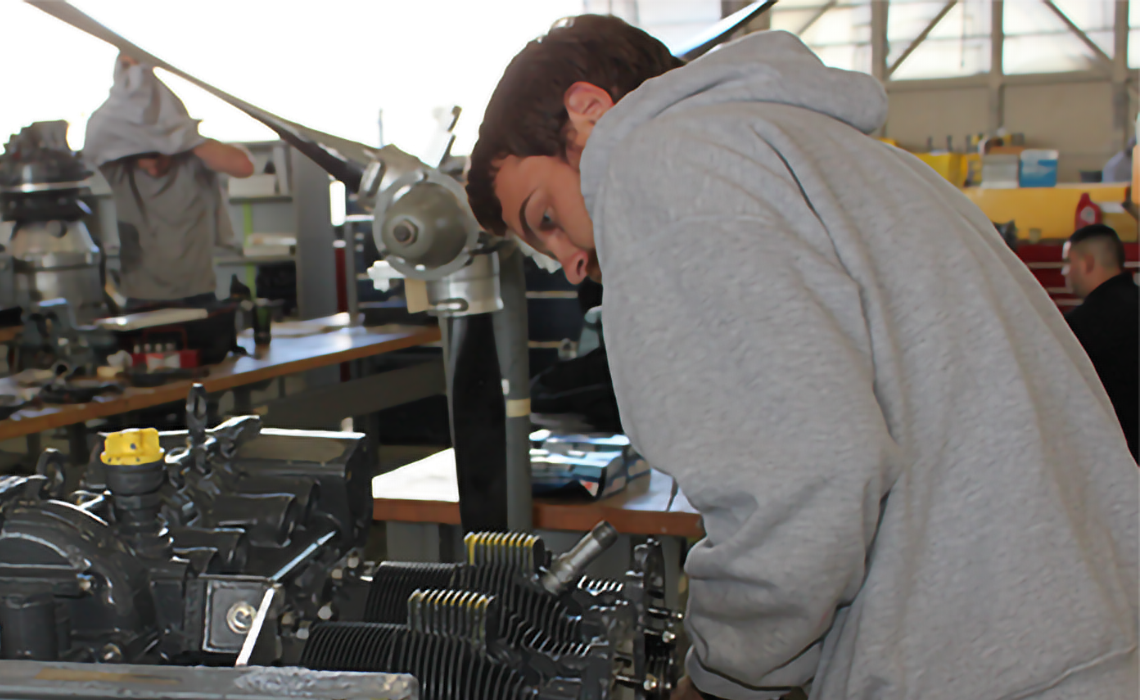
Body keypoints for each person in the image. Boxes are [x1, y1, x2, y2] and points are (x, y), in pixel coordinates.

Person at [466, 17, 1140, 700]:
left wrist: (726, 673)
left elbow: (805, 479)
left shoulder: (657, 162)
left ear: (589, 112)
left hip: (988, 665)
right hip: (1077, 636)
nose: (573, 266)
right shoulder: (831, 154)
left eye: (545, 217)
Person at [83, 54, 255, 311]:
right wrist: (128, 83)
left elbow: (244, 166)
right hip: (141, 299)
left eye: (159, 156)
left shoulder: (192, 160)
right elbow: (96, 137)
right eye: (144, 158)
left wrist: (179, 134)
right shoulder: (121, 170)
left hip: (198, 295)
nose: (153, 168)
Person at [1064, 224, 1140, 461]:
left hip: (1118, 458)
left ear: (1087, 262)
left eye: (1068, 263)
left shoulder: (1078, 326)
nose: (1063, 272)